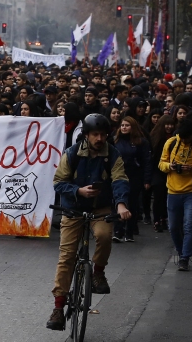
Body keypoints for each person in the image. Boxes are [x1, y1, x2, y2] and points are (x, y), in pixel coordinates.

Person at [46, 113, 131, 331]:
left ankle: (98, 272)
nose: (99, 138)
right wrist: (78, 191)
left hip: (100, 208)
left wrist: (121, 204)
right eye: (95, 134)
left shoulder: (113, 154)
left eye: (103, 134)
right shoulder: (72, 154)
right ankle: (58, 307)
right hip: (73, 208)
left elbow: (120, 179)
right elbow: (58, 182)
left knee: (104, 235)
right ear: (86, 135)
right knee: (67, 257)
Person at [159, 116, 192, 271]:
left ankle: (185, 257)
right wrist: (171, 166)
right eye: (182, 139)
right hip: (173, 191)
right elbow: (161, 164)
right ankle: (181, 251)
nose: (185, 142)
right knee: (173, 227)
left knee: (189, 226)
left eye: (187, 139)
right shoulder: (171, 143)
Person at [112, 116, 151, 242]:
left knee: (133, 203)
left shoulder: (141, 142)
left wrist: (146, 179)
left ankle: (130, 231)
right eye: (122, 125)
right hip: (118, 175)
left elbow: (147, 161)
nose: (124, 128)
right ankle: (118, 230)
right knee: (118, 201)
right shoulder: (115, 140)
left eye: (127, 125)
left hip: (135, 176)